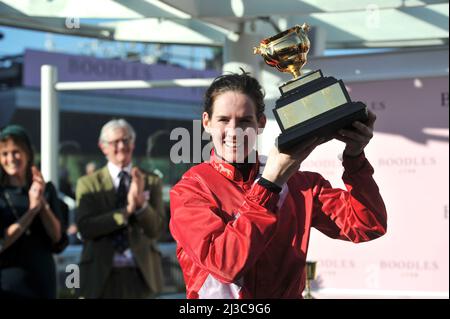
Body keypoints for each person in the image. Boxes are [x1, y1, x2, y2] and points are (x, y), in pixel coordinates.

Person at [169, 71, 387, 299]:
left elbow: (368, 224)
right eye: (224, 120)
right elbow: (225, 264)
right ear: (206, 122)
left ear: (260, 123)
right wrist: (269, 185)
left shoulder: (297, 183)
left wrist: (355, 158)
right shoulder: (190, 190)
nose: (234, 131)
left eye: (245, 120)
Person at [75, 119, 165, 299]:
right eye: (115, 142)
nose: (122, 146)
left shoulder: (150, 180)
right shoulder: (87, 183)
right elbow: (85, 227)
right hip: (101, 278)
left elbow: (157, 229)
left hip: (141, 277)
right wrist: (127, 211)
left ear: (133, 143)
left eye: (126, 140)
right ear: (103, 147)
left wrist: (141, 206)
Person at [0, 125, 64, 298]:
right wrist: (31, 212)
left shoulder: (47, 189)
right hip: (8, 286)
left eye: (16, 152)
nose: (11, 158)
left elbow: (57, 237)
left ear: (27, 153)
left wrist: (42, 204)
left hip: (43, 283)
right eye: (5, 154)